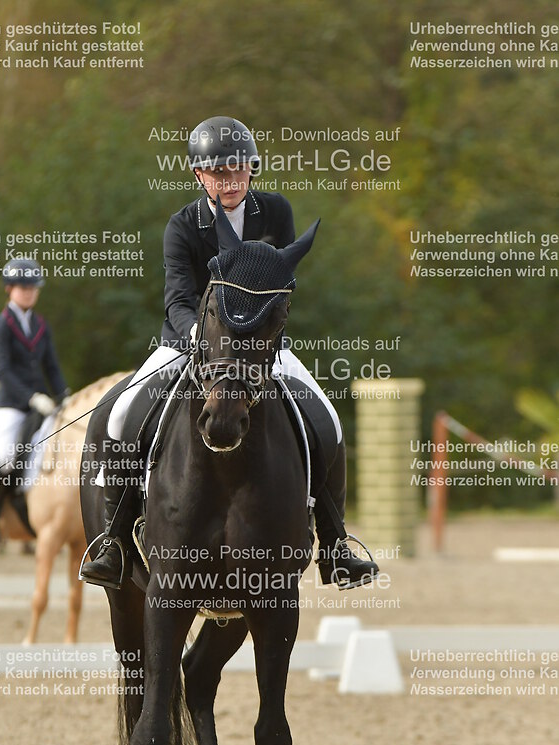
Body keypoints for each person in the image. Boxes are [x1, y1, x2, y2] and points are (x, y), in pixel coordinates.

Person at [80, 116, 378, 589]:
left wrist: (257, 337)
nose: (231, 179)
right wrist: (202, 339)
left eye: (239, 169)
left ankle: (336, 544)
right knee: (116, 417)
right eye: (219, 172)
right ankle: (114, 541)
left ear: (251, 169)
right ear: (200, 175)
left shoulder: (275, 212)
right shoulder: (182, 226)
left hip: (259, 348)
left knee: (328, 420)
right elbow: (178, 300)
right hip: (190, 343)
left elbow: (279, 285)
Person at [0, 257, 69, 548]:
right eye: (24, 287)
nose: (30, 292)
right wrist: (31, 397)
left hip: (42, 403)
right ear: (10, 288)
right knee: (9, 455)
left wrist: (64, 395)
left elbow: (52, 367)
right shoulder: (1, 326)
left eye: (33, 287)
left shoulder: (40, 325)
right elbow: (3, 371)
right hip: (12, 404)